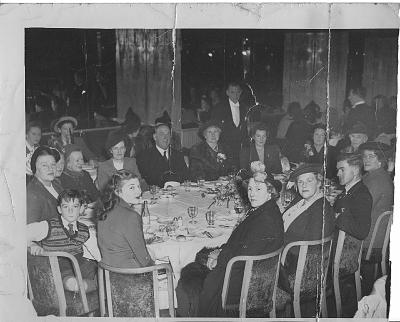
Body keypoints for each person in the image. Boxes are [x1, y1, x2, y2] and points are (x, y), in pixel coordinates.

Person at [195, 171, 284, 317]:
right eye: (250, 189)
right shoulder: (265, 210)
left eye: (258, 189)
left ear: (270, 192)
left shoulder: (266, 220)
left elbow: (244, 256)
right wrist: (221, 251)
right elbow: (244, 244)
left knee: (191, 274)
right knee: (201, 256)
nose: (252, 194)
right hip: (247, 272)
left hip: (241, 284)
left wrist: (219, 256)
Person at [27, 189, 100, 292]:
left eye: (75, 207)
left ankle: (90, 285)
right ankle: (84, 286)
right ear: (59, 209)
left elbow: (95, 251)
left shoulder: (84, 229)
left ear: (81, 209)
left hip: (80, 263)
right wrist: (31, 244)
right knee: (71, 282)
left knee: (100, 273)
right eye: (66, 207)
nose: (70, 211)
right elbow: (19, 234)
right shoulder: (48, 226)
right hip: (59, 265)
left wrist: (104, 263)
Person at [97, 170, 153, 268]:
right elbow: (143, 258)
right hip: (129, 275)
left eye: (138, 186)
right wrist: (155, 267)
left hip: (108, 273)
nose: (139, 191)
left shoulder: (105, 209)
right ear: (118, 192)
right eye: (132, 187)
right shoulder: (131, 216)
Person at [359, 142, 394, 252]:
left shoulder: (377, 180)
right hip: (370, 234)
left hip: (369, 241)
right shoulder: (373, 175)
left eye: (371, 156)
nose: (366, 159)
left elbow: (362, 210)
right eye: (364, 156)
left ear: (381, 160)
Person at [332, 153, 373, 240]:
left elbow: (362, 232)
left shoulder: (362, 195)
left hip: (345, 247)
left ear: (355, 170)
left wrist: (335, 216)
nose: (338, 174)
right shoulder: (349, 189)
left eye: (342, 170)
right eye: (338, 170)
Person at [211, 81, 248, 168]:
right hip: (224, 149)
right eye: (232, 92)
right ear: (227, 93)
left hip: (240, 150)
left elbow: (245, 129)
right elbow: (214, 128)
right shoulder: (219, 108)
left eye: (237, 92)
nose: (235, 95)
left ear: (241, 92)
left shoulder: (244, 108)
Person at [27, 146, 64, 224]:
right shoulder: (32, 194)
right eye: (44, 165)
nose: (50, 168)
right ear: (35, 168)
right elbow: (30, 229)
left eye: (53, 164)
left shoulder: (56, 183)